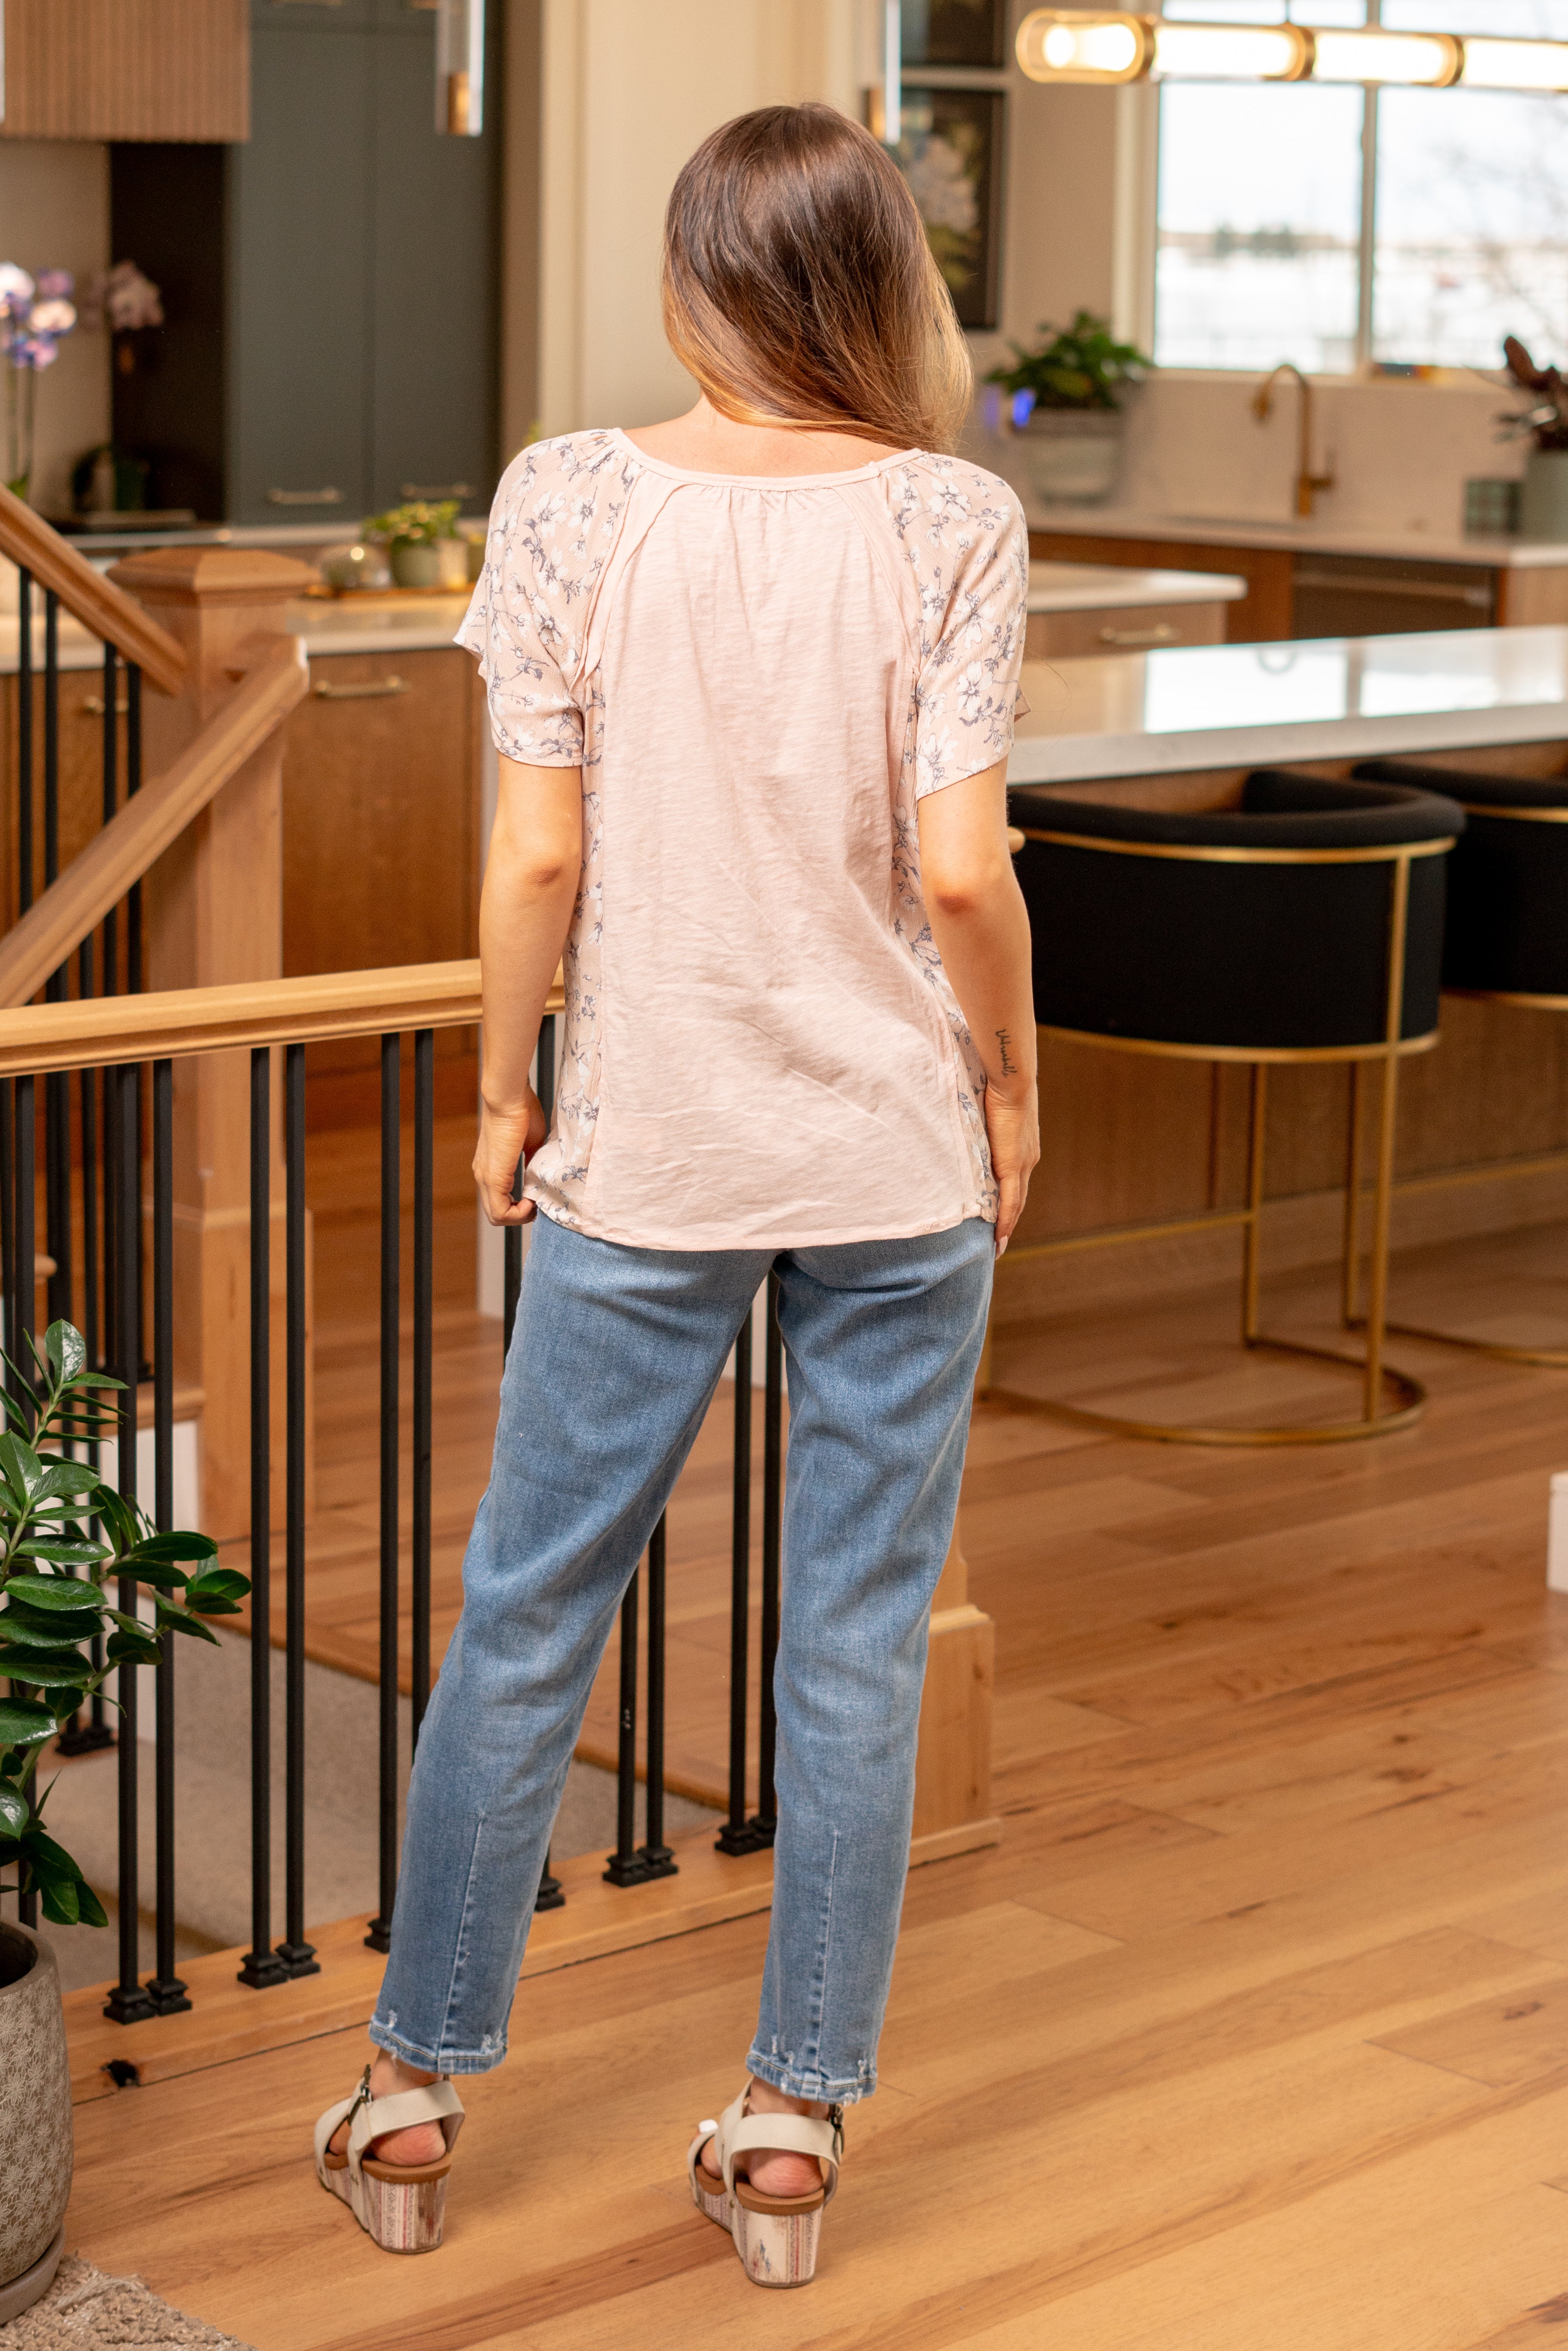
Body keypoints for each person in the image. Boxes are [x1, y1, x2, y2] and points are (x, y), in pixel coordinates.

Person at [312, 99, 1037, 2287]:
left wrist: (494, 1094)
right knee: (857, 1642)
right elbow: (965, 875)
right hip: (893, 1157)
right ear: (883, 284)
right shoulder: (955, 516)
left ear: (692, 277)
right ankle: (794, 2128)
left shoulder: (570, 495)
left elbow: (536, 851)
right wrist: (1011, 1088)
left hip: (652, 1155)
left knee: (529, 1615)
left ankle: (411, 2101)